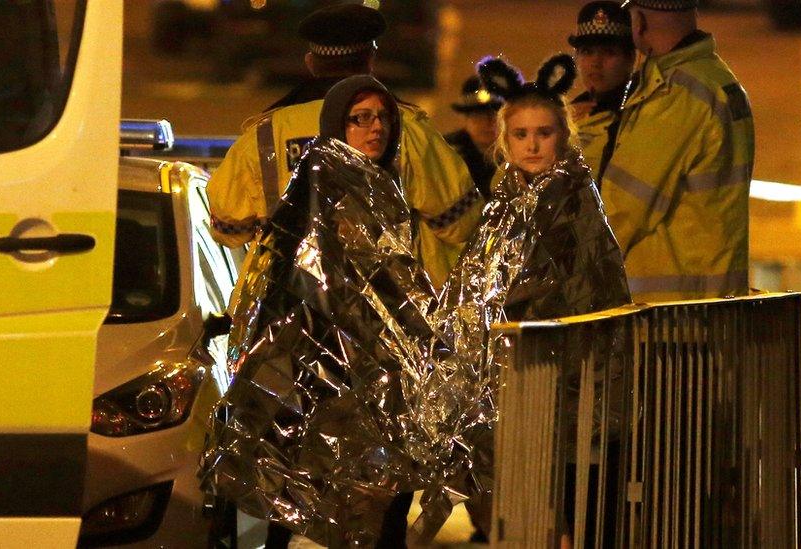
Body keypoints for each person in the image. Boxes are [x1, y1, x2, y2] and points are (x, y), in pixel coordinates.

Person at [201, 75, 441, 548]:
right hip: (313, 363)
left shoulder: (389, 185)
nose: (377, 129)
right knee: (289, 492)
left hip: (379, 365)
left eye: (383, 118)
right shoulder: (314, 184)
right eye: (361, 119)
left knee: (388, 488)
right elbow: (291, 275)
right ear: (336, 124)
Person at [421, 53, 631, 541]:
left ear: (563, 135)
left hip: (570, 381)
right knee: (524, 511)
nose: (533, 144)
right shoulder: (506, 199)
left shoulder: (571, 198)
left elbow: (577, 288)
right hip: (518, 383)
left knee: (574, 510)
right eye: (521, 134)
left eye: (544, 133)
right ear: (504, 140)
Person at [206, 2, 482, 289]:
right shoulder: (404, 127)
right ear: (370, 58)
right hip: (390, 307)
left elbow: (228, 229)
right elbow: (460, 223)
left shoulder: (265, 135)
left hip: (289, 306)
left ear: (311, 62)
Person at [601, 0, 754, 302]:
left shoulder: (676, 94)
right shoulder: (714, 78)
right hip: (707, 306)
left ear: (640, 22)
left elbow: (619, 210)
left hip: (671, 318)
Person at [567, 1, 635, 182]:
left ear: (630, 59)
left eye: (609, 52)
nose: (595, 62)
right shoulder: (569, 112)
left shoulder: (638, 115)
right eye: (587, 52)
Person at [444, 76, 503, 200]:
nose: (488, 123)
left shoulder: (518, 154)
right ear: (465, 119)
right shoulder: (447, 154)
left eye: (495, 115)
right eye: (478, 116)